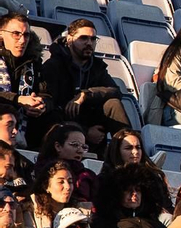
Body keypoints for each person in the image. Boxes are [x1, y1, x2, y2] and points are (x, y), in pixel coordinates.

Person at [38, 19, 132, 149]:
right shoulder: (54, 66)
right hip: (62, 128)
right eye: (84, 38)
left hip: (92, 126)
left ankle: (129, 152)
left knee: (113, 104)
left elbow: (115, 91)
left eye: (93, 39)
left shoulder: (97, 67)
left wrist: (85, 95)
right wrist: (85, 131)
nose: (89, 43)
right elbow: (50, 105)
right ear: (70, 40)